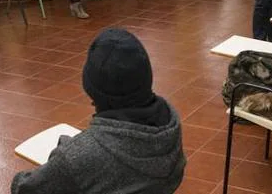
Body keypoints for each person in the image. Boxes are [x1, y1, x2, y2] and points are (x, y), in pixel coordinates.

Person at [11, 28, 186, 194]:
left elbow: (25, 189)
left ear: (92, 88)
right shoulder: (170, 121)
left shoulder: (75, 159)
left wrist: (65, 157)